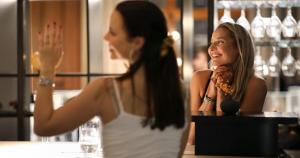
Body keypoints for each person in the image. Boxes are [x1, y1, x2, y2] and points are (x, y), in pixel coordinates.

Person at [33, 1, 189, 157]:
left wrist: (47, 68)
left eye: (113, 33)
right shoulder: (182, 94)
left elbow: (43, 126)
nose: (106, 37)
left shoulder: (106, 90)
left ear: (137, 43)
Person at [187, 22, 267, 145]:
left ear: (239, 47)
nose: (211, 49)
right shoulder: (199, 78)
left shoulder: (257, 85)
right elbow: (192, 138)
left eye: (219, 42)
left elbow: (229, 137)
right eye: (211, 43)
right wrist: (210, 94)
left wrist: (220, 91)